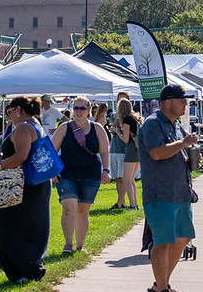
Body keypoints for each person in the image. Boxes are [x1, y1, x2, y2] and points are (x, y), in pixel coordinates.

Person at [138, 84, 198, 292]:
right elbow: (156, 152)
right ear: (167, 103)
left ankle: (161, 284)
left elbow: (177, 150)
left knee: (182, 239)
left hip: (180, 192)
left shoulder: (175, 125)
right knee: (162, 242)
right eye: (181, 100)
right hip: (160, 192)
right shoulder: (153, 123)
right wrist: (184, 143)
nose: (185, 104)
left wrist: (189, 158)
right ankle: (162, 289)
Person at [0, 96, 51, 284]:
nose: (9, 117)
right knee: (31, 225)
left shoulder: (24, 126)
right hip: (34, 183)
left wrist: (0, 165)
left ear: (18, 109)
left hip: (23, 185)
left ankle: (24, 269)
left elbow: (21, 156)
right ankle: (30, 267)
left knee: (5, 224)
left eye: (9, 112)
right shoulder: (34, 124)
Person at [50, 96, 111, 253]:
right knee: (69, 206)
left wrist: (106, 170)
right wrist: (53, 171)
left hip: (90, 174)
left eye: (82, 108)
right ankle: (68, 244)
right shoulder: (64, 128)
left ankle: (79, 246)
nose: (78, 111)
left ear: (89, 110)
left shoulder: (97, 128)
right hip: (67, 174)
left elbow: (104, 151)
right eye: (76, 108)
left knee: (83, 212)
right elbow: (52, 151)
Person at [111, 98, 143, 209]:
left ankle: (133, 205)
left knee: (126, 179)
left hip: (131, 149)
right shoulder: (135, 118)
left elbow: (125, 139)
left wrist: (116, 131)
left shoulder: (127, 120)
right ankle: (135, 204)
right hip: (139, 149)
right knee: (131, 180)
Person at [109, 92, 131, 209]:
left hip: (123, 149)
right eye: (119, 99)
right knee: (117, 178)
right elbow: (111, 127)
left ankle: (120, 201)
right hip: (114, 148)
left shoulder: (129, 117)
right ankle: (121, 201)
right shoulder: (114, 115)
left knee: (123, 178)